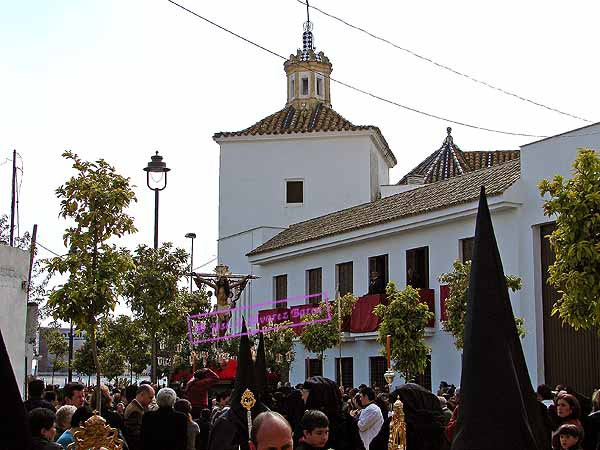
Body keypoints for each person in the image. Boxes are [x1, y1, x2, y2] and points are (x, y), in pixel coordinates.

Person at [301, 376, 365, 450]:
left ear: (314, 395)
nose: (302, 397)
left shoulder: (345, 422)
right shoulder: (309, 417)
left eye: (304, 393)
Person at [124, 384, 155, 450]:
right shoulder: (135, 411)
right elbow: (135, 435)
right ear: (142, 394)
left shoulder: (137, 407)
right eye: (150, 397)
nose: (151, 400)